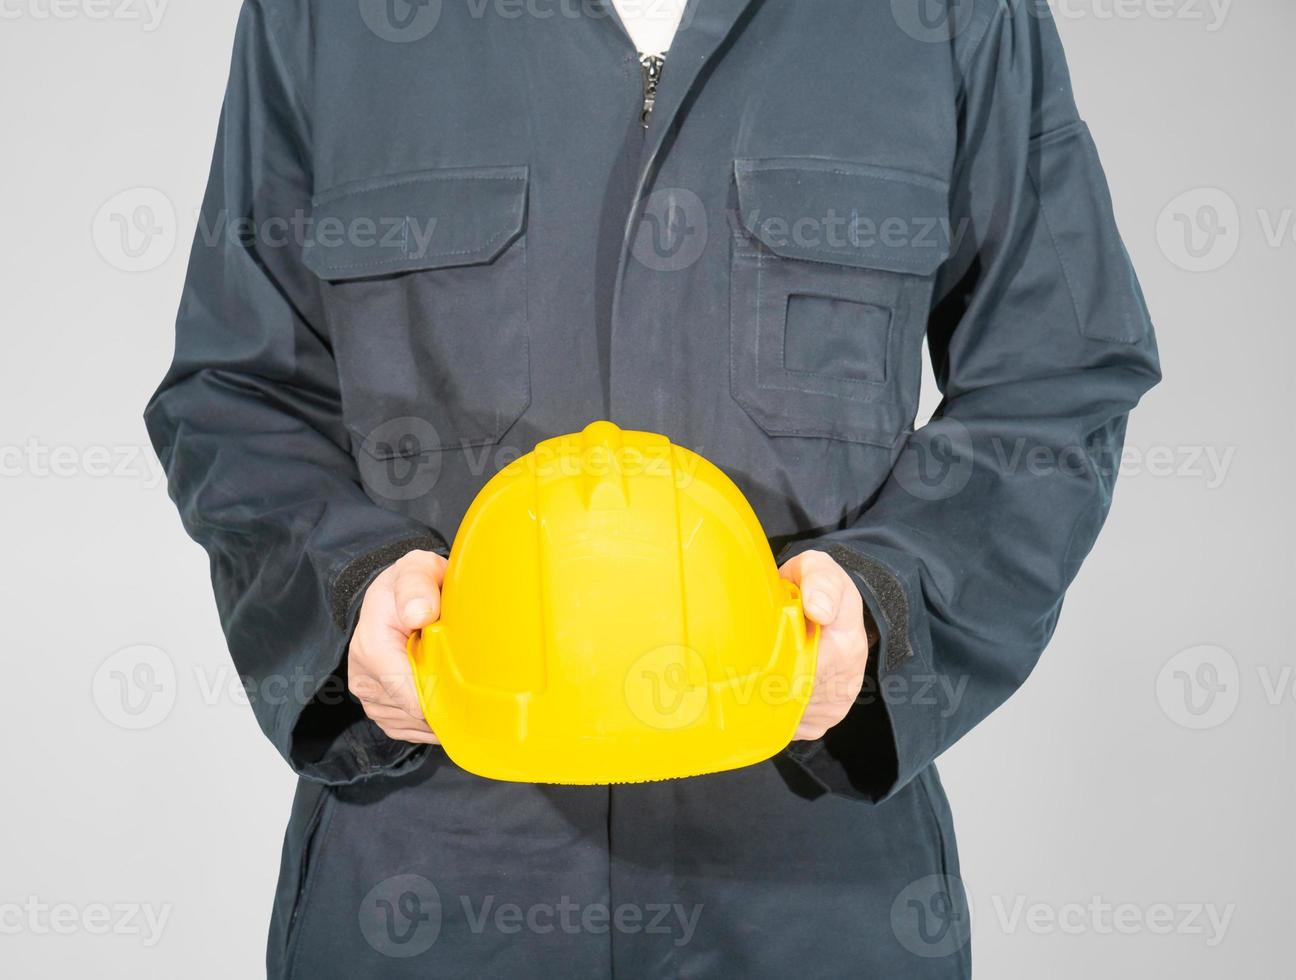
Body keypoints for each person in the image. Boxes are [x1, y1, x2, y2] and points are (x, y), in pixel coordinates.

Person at [145, 0, 1160, 975]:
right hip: (424, 885)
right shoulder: (321, 17)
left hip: (815, 887)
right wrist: (346, 595)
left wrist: (894, 606)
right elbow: (238, 389)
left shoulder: (952, 14)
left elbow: (1059, 372)